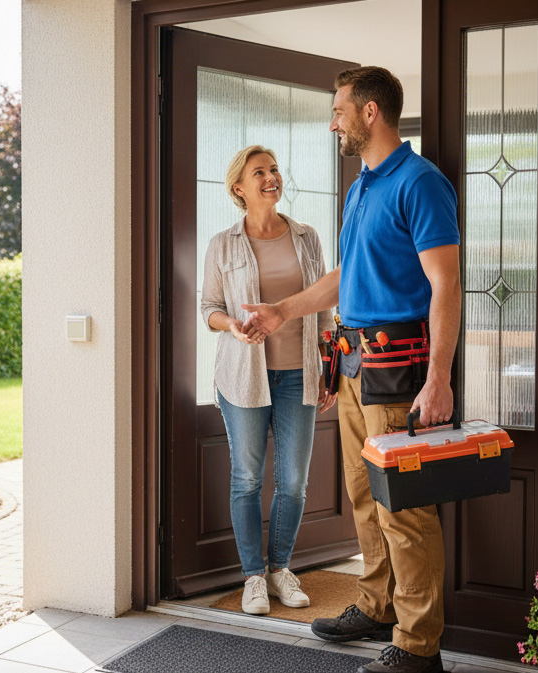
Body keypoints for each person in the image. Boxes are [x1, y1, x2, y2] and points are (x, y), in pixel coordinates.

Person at [241, 67, 461, 673]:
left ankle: (419, 648)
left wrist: (438, 377)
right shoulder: (361, 186)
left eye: (339, 109)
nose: (332, 120)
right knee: (365, 497)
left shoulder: (420, 184)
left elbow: (446, 283)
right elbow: (347, 277)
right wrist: (283, 310)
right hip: (355, 365)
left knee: (405, 510)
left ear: (369, 113)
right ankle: (377, 603)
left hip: (400, 368)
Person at [200, 145, 337, 616]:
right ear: (239, 187)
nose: (271, 177)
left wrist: (328, 366)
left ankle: (280, 569)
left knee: (295, 482)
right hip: (242, 378)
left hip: (299, 374)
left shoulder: (306, 237)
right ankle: (253, 577)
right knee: (247, 478)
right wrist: (232, 326)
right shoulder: (222, 244)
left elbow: (323, 307)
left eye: (274, 169)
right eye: (260, 172)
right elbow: (209, 309)